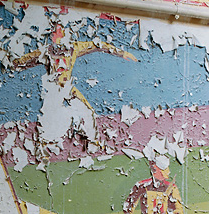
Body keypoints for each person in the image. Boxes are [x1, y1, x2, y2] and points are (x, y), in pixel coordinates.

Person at [8, 22, 137, 151]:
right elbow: (26, 60)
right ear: (52, 37)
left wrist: (121, 53)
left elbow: (97, 46)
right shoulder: (46, 51)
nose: (57, 37)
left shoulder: (74, 47)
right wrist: (10, 62)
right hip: (53, 90)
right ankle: (43, 144)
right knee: (50, 119)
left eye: (60, 33)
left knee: (88, 110)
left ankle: (93, 141)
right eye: (55, 34)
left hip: (67, 88)